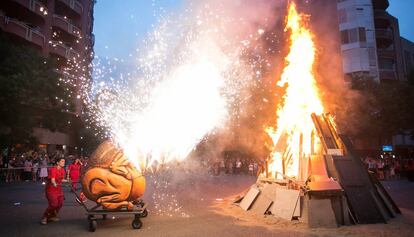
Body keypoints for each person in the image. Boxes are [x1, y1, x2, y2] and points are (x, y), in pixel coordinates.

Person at [40, 158, 67, 225]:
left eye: (64, 161)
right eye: (62, 161)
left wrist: (68, 181)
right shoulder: (53, 169)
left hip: (58, 189)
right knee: (53, 204)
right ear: (57, 163)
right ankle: (45, 217)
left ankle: (52, 216)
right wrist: (54, 183)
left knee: (60, 203)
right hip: (51, 189)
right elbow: (53, 179)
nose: (64, 162)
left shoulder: (63, 170)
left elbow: (62, 179)